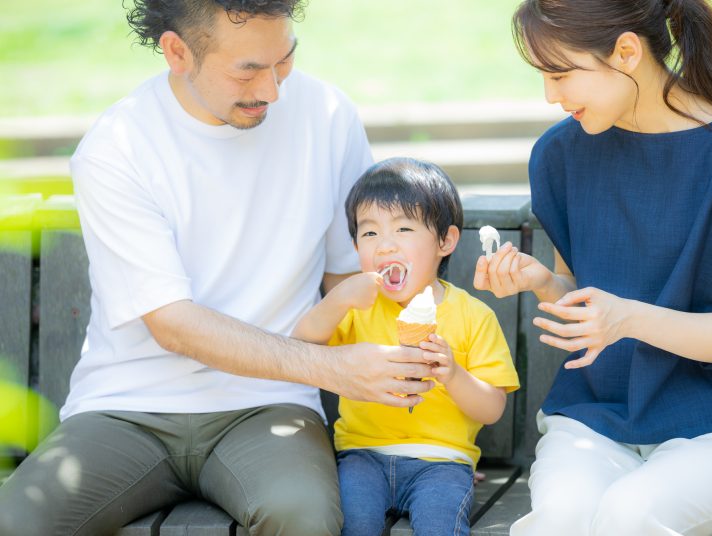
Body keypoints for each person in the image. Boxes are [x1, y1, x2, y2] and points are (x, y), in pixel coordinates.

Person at [0, 1, 437, 535]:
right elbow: (173, 324)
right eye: (248, 70)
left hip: (271, 406)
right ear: (177, 51)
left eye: (285, 59)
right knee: (15, 522)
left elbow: (351, 278)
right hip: (126, 408)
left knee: (305, 519)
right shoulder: (116, 147)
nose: (274, 89)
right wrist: (336, 368)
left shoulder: (327, 115)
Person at [474, 1, 712, 534]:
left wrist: (628, 319)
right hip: (600, 415)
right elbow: (585, 299)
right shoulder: (560, 155)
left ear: (627, 51)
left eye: (560, 74)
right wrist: (541, 282)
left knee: (630, 518)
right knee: (560, 522)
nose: (549, 95)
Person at [292, 157, 520, 536]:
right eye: (369, 234)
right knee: (353, 524)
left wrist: (453, 373)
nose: (384, 246)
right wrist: (337, 299)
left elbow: (493, 407)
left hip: (442, 462)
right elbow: (302, 346)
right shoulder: (358, 307)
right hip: (362, 457)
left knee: (441, 526)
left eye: (403, 228)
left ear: (445, 241)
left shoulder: (473, 316)